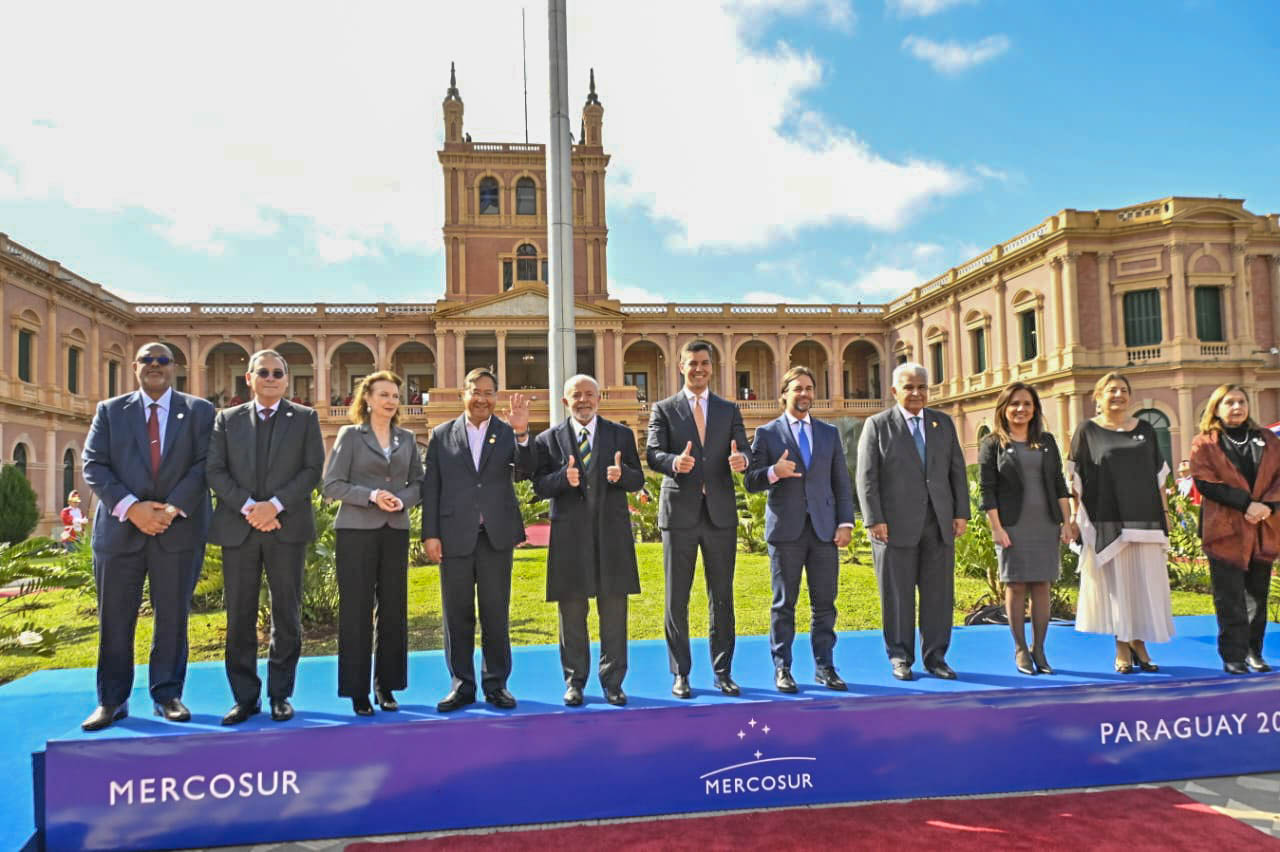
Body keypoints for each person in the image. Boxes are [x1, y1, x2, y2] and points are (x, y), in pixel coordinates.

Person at [79, 342, 214, 731]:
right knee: (115, 619)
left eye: (163, 361)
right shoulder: (109, 411)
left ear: (174, 368)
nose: (155, 366)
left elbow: (207, 462)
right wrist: (132, 508)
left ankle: (167, 694)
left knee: (172, 616)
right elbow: (94, 464)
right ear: (134, 366)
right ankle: (112, 700)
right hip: (120, 530)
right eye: (147, 360)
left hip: (179, 529)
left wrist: (171, 508)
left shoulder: (200, 411)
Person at [206, 349, 325, 724]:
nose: (271, 377)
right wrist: (250, 508)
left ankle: (279, 694)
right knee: (239, 616)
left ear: (286, 380)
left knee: (285, 614)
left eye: (277, 373)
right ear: (249, 378)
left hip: (285, 528)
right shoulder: (226, 420)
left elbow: (312, 470)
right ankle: (244, 698)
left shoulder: (305, 418)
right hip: (239, 529)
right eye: (263, 372)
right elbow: (215, 469)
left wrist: (273, 506)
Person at [421, 368, 533, 712]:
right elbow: (432, 488)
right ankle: (462, 685)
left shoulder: (506, 432)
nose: (482, 398)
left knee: (496, 613)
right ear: (463, 393)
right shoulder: (441, 435)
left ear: (496, 397)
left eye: (489, 392)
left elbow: (526, 471)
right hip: (454, 536)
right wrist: (430, 535)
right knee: (457, 615)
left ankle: (496, 685)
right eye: (476, 391)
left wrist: (523, 433)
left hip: (495, 536)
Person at [646, 340, 749, 698]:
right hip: (680, 515)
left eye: (704, 363)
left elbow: (743, 449)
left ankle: (723, 672)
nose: (699, 369)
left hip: (720, 515)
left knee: (722, 596)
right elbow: (652, 453)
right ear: (681, 366)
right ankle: (681, 673)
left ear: (712, 367)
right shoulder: (664, 409)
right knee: (678, 597)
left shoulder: (728, 409)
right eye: (692, 363)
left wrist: (743, 461)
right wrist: (674, 462)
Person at [533, 374, 644, 706]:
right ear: (565, 401)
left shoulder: (621, 435)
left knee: (613, 612)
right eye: (576, 396)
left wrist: (622, 476)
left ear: (599, 399)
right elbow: (538, 485)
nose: (583, 400)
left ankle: (613, 682)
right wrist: (560, 478)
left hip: (612, 536)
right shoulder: (548, 440)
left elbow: (638, 478)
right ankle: (574, 681)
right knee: (572, 614)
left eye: (589, 395)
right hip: (569, 538)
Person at [744, 366, 856, 692]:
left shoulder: (828, 433)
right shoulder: (767, 434)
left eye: (809, 388)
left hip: (823, 530)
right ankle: (783, 669)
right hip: (786, 532)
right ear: (784, 394)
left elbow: (841, 483)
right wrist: (773, 472)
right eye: (798, 389)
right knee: (784, 604)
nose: (804, 394)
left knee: (825, 604)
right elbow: (751, 481)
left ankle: (825, 666)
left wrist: (845, 522)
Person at [856, 361, 968, 681]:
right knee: (897, 595)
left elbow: (956, 471)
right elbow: (867, 477)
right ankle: (900, 656)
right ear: (894, 391)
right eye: (909, 387)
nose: (916, 392)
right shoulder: (877, 425)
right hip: (893, 527)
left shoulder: (943, 423)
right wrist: (874, 519)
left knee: (938, 595)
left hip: (939, 524)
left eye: (921, 386)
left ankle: (936, 657)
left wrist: (960, 513)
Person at [322, 371, 424, 715]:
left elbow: (419, 483)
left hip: (395, 530)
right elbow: (332, 484)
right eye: (384, 394)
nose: (392, 400)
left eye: (396, 395)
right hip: (356, 531)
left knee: (394, 610)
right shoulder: (350, 436)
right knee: (356, 611)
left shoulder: (407, 439)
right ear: (367, 398)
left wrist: (402, 500)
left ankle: (387, 685)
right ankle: (357, 690)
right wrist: (371, 496)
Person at [1069, 371, 1174, 673]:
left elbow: (1159, 478)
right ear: (1098, 397)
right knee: (1118, 586)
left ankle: (1139, 642)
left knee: (1144, 584)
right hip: (1108, 520)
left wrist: (1165, 514)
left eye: (1123, 390)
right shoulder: (1087, 431)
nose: (1118, 395)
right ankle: (1121, 646)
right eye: (1111, 390)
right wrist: (1077, 518)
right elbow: (1076, 477)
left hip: (1146, 521)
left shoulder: (1145, 429)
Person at [977, 382, 1074, 676]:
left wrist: (1067, 521)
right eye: (1015, 404)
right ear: (1004, 409)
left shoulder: (1045, 440)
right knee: (1016, 585)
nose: (1021, 409)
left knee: (1042, 585)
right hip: (1011, 525)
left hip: (1044, 523)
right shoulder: (992, 443)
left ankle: (1040, 649)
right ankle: (1020, 648)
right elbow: (987, 489)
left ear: (1035, 409)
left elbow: (1058, 482)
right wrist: (996, 528)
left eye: (1027, 404)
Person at [1189, 384, 1279, 675]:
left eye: (1242, 401)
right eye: (1230, 402)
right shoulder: (1205, 443)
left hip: (1263, 528)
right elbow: (1205, 481)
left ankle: (1254, 651)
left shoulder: (1267, 439)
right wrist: (1246, 505)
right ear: (1216, 407)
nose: (1237, 407)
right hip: (1224, 532)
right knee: (1229, 598)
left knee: (1257, 595)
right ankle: (1233, 655)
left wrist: (1268, 506)